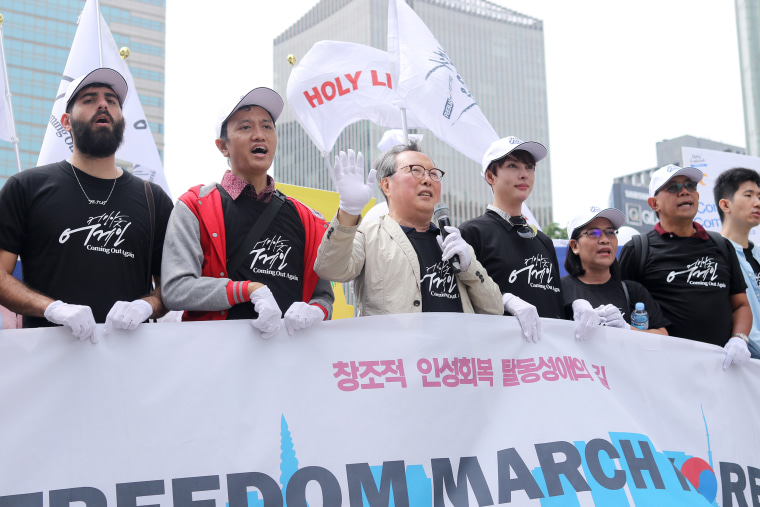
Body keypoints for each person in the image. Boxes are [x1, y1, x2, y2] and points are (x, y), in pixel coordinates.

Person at [0, 68, 173, 342]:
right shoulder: (26, 188)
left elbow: (171, 289)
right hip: (47, 363)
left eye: (112, 101)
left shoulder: (154, 200)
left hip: (132, 367)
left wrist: (145, 306)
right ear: (66, 121)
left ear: (122, 121)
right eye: (90, 99)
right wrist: (51, 308)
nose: (103, 104)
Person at [161, 87, 333, 337]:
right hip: (217, 360)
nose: (259, 135)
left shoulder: (309, 219)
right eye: (245, 127)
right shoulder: (194, 206)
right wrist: (247, 289)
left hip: (290, 363)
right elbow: (176, 289)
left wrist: (318, 310)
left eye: (266, 127)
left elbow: (323, 294)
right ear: (223, 146)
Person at [313, 144, 503, 316]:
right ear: (387, 185)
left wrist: (469, 267)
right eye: (416, 171)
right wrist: (348, 211)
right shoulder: (369, 235)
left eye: (433, 174)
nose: (427, 179)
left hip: (454, 354)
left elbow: (494, 309)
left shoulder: (454, 243)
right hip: (400, 353)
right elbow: (330, 269)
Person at [459, 136, 596, 342]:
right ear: (490, 176)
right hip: (499, 357)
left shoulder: (543, 240)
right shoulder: (472, 232)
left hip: (548, 361)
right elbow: (463, 302)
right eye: (513, 165)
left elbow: (552, 303)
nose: (524, 175)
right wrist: (505, 301)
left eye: (530, 167)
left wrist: (575, 307)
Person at [619, 164, 752, 368]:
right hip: (664, 370)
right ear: (654, 203)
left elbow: (741, 304)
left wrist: (739, 339)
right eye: (673, 187)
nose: (684, 191)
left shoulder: (721, 245)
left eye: (690, 186)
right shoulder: (638, 249)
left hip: (722, 370)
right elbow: (622, 309)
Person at [561, 205, 669, 335]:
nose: (605, 240)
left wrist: (627, 328)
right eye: (593, 233)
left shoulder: (633, 291)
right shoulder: (559, 290)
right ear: (574, 246)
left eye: (610, 232)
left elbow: (663, 336)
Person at [714, 167, 760, 358]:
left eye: (759, 195)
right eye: (748, 195)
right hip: (743, 366)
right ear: (725, 205)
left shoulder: (756, 253)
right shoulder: (713, 256)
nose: (757, 203)